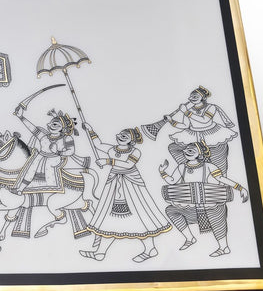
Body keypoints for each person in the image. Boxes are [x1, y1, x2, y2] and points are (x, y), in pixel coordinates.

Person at [79, 124, 171, 262]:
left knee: (140, 216)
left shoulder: (135, 152)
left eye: (125, 136)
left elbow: (128, 165)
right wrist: (90, 130)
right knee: (109, 217)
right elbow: (98, 145)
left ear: (132, 140)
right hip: (114, 185)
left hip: (131, 186)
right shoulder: (112, 149)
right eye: (121, 134)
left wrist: (108, 161)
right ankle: (100, 252)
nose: (121, 137)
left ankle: (150, 249)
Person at [159, 141, 249, 257]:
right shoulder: (182, 167)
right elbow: (172, 181)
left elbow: (221, 179)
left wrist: (240, 188)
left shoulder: (209, 166)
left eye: (191, 150)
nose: (186, 152)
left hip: (208, 203)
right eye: (185, 150)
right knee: (171, 210)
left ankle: (224, 247)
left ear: (200, 153)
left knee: (217, 216)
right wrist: (162, 172)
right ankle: (190, 238)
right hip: (191, 206)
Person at [165, 86, 237, 174]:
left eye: (195, 96)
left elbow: (204, 120)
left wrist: (186, 112)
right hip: (193, 134)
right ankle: (192, 170)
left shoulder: (211, 107)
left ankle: (219, 177)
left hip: (211, 134)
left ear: (203, 97)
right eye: (191, 96)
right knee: (174, 148)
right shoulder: (188, 110)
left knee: (217, 156)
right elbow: (185, 125)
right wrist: (171, 121)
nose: (192, 98)